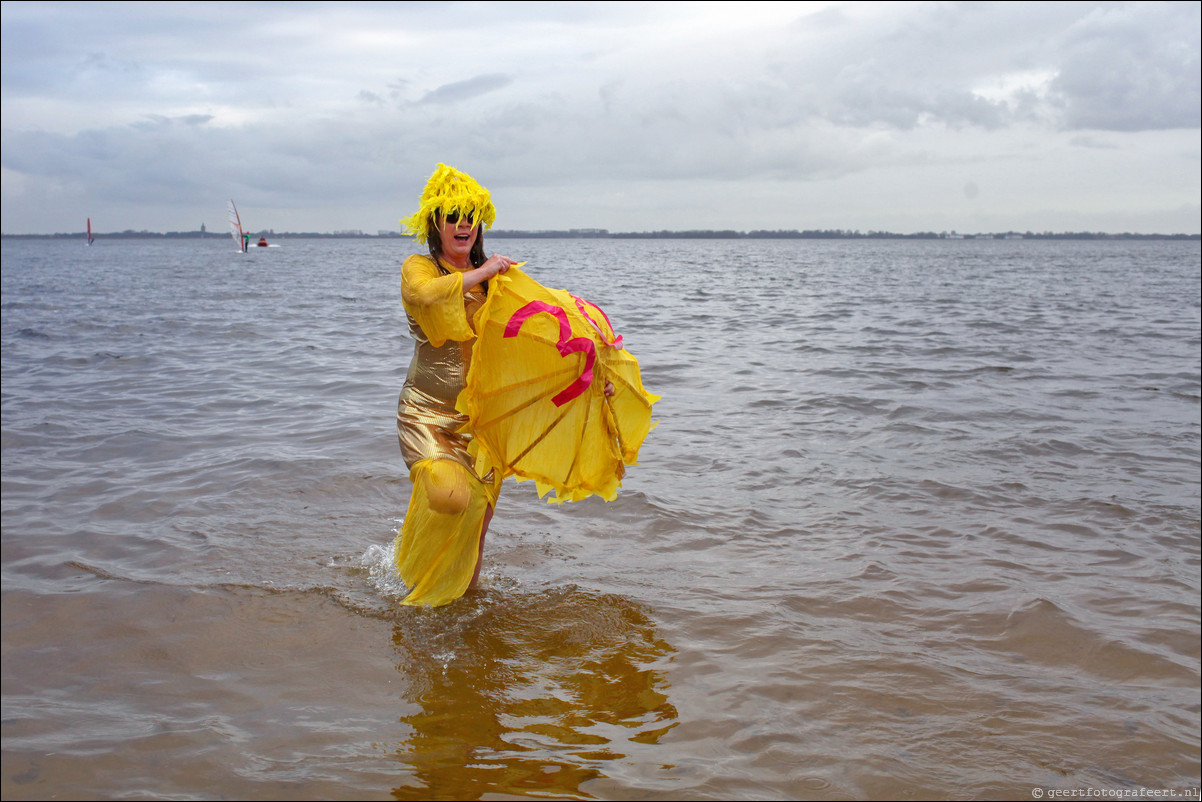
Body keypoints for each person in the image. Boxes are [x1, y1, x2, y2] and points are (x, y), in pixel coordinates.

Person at [393, 164, 518, 606]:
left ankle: (464, 608)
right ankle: (414, 571)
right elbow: (428, 298)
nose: (463, 222)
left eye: (470, 214)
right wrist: (486, 273)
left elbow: (537, 332)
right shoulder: (418, 268)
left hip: (480, 423)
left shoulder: (496, 279)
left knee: (476, 530)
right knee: (450, 496)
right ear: (436, 223)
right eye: (452, 214)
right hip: (426, 414)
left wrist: (587, 370)